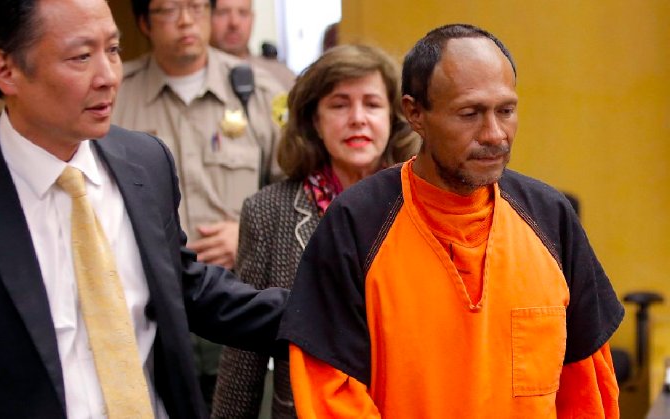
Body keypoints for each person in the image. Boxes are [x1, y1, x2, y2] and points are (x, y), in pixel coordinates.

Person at [0, 0, 287, 418]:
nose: (109, 76)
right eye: (81, 56)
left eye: (112, 49)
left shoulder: (145, 163)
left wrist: (320, 314)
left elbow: (185, 287)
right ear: (5, 70)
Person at [278, 24, 625, 418]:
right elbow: (331, 394)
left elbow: (587, 391)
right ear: (415, 113)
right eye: (469, 114)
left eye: (506, 110)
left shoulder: (549, 217)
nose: (494, 134)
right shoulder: (357, 224)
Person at [212, 44, 420, 419]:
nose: (357, 119)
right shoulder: (268, 211)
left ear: (394, 119)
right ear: (314, 121)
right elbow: (244, 352)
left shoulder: (421, 204)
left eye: (372, 104)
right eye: (339, 105)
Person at [114, 0, 288, 405]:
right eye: (168, 9)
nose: (185, 21)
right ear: (144, 23)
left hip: (239, 297)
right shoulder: (117, 95)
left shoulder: (258, 91)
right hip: (151, 302)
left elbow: (296, 193)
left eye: (195, 7)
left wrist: (247, 234)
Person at [210, 0, 296, 89]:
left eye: (243, 13)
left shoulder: (281, 77)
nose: (234, 22)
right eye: (222, 13)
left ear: (253, 19)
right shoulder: (201, 76)